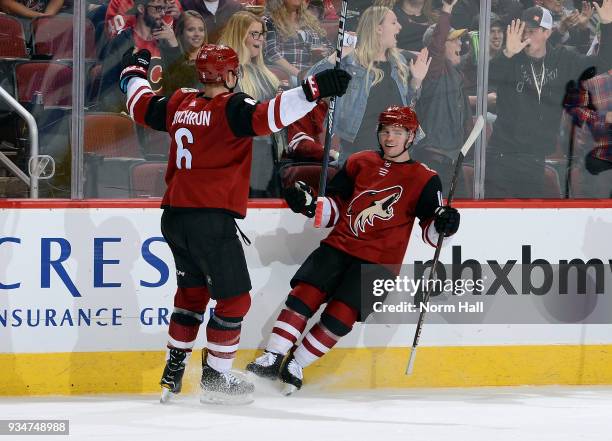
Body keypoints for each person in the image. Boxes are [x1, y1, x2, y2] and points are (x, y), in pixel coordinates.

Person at [118, 44, 351, 403]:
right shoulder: (232, 107)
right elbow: (270, 116)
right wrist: (315, 89)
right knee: (235, 298)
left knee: (191, 296)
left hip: (176, 217)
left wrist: (134, 69)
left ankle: (173, 371)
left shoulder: (180, 101)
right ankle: (216, 379)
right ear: (229, 74)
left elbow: (139, 104)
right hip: (210, 219)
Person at [245, 106, 460, 393]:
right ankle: (272, 356)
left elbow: (432, 236)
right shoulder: (359, 161)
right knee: (302, 297)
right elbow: (335, 210)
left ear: (411, 137)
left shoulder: (424, 178)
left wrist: (446, 223)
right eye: (385, 131)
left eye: (397, 132)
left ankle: (296, 364)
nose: (389, 138)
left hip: (378, 264)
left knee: (340, 318)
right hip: (338, 246)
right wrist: (311, 205)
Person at [485, 3, 612, 198]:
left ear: (547, 32)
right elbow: (487, 78)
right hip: (502, 156)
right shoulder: (511, 59)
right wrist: (507, 54)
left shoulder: (563, 60)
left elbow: (603, 62)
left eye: (533, 31)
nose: (527, 36)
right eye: (524, 30)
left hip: (535, 159)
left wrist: (607, 24)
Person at [308, 5, 431, 163]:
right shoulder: (352, 61)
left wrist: (417, 81)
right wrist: (339, 55)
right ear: (378, 28)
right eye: (394, 23)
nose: (400, 27)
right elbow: (312, 80)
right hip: (360, 154)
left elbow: (407, 106)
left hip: (395, 154)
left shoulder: (399, 62)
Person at [218, 11, 284, 197]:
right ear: (239, 35)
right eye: (254, 34)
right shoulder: (226, 75)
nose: (260, 39)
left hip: (266, 156)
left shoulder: (268, 77)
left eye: (262, 34)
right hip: (238, 158)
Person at [412, 0, 471, 193]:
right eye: (453, 39)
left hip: (454, 162)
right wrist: (446, 10)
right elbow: (436, 46)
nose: (460, 44)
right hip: (433, 161)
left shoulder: (456, 75)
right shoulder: (433, 70)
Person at [99, 0, 181, 111]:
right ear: (141, 9)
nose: (162, 13)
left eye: (163, 9)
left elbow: (180, 84)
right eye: (157, 9)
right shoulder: (121, 42)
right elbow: (107, 92)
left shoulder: (166, 42)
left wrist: (174, 47)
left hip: (160, 116)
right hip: (131, 115)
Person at [263, 0, 331, 83]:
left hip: (315, 73)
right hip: (290, 76)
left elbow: (329, 46)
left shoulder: (311, 21)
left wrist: (325, 52)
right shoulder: (270, 21)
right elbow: (272, 54)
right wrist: (301, 75)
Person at [160, 10, 208, 93]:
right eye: (191, 29)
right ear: (180, 33)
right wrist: (174, 47)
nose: (197, 34)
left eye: (201, 30)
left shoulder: (211, 58)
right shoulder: (171, 58)